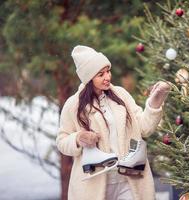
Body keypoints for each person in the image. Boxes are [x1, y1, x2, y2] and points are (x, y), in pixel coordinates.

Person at [56, 45, 171, 200]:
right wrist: (78, 138)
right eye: (101, 74)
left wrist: (154, 104)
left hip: (129, 178)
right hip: (94, 185)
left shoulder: (121, 95)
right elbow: (62, 141)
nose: (107, 77)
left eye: (108, 71)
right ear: (89, 77)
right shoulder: (73, 105)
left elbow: (144, 128)